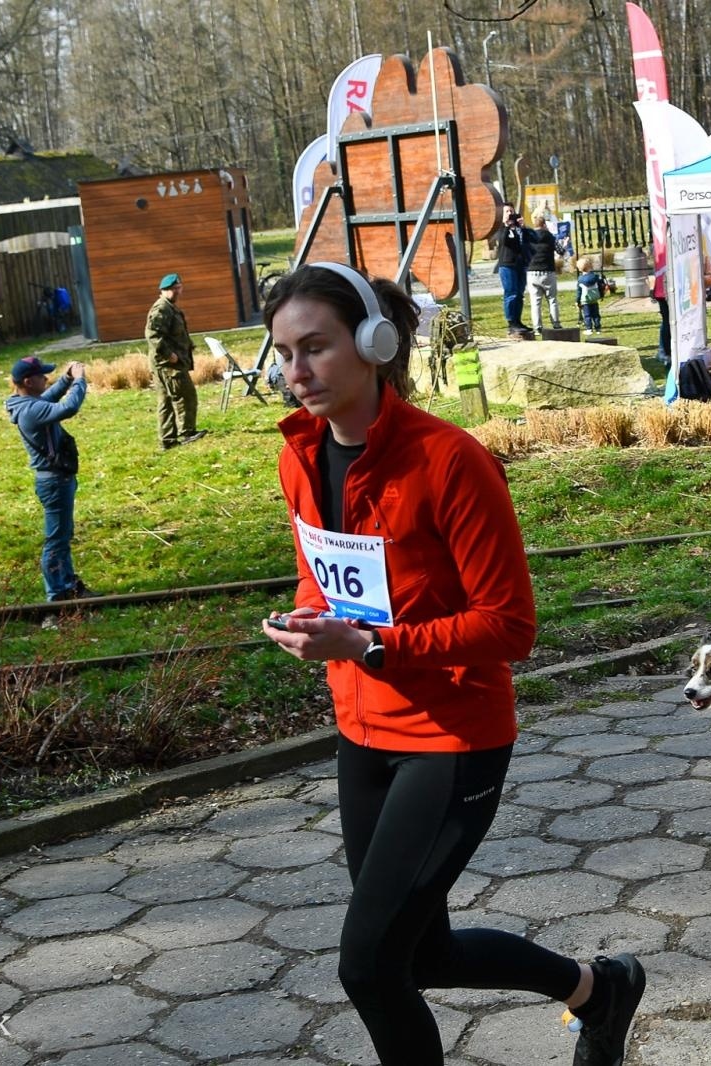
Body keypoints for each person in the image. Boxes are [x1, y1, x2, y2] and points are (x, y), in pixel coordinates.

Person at [259, 262, 644, 1066]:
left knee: (370, 967)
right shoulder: (299, 456)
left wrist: (373, 646)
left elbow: (510, 627)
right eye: (284, 353)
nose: (297, 371)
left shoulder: (450, 460)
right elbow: (318, 573)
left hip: (453, 740)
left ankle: (601, 993)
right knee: (420, 954)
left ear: (374, 344)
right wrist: (309, 619)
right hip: (363, 731)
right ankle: (599, 992)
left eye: (316, 347)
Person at [5, 356, 94, 602]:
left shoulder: (26, 403)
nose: (46, 378)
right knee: (56, 541)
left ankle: (68, 585)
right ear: (28, 382)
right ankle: (57, 595)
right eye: (41, 375)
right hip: (55, 482)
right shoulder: (31, 410)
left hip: (56, 480)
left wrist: (66, 379)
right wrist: (80, 381)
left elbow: (49, 398)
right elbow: (68, 408)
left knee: (62, 537)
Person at [145, 273, 205, 450]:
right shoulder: (162, 308)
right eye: (174, 289)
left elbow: (175, 333)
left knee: (166, 400)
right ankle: (187, 432)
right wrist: (169, 354)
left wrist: (188, 346)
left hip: (165, 363)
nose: (178, 291)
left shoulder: (170, 307)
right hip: (168, 364)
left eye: (179, 288)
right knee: (186, 396)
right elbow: (152, 334)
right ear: (164, 290)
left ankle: (167, 439)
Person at [496, 202, 532, 337]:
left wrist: (523, 227)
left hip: (520, 265)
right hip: (507, 265)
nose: (510, 214)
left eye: (511, 211)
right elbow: (503, 241)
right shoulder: (500, 229)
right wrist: (506, 225)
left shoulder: (517, 229)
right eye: (507, 211)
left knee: (519, 294)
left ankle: (518, 320)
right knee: (511, 294)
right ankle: (511, 322)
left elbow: (529, 242)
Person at [525, 210, 563, 332]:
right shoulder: (550, 237)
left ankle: (537, 327)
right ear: (544, 225)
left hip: (532, 271)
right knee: (552, 299)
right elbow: (560, 251)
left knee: (535, 302)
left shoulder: (529, 237)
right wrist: (564, 244)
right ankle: (556, 324)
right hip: (548, 271)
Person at [576, 256, 608, 334]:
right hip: (594, 298)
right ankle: (598, 328)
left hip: (585, 300)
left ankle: (589, 329)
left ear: (580, 269)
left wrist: (577, 301)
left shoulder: (580, 279)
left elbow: (579, 291)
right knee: (596, 314)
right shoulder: (596, 277)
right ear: (590, 266)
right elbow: (600, 286)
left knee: (587, 315)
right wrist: (601, 295)